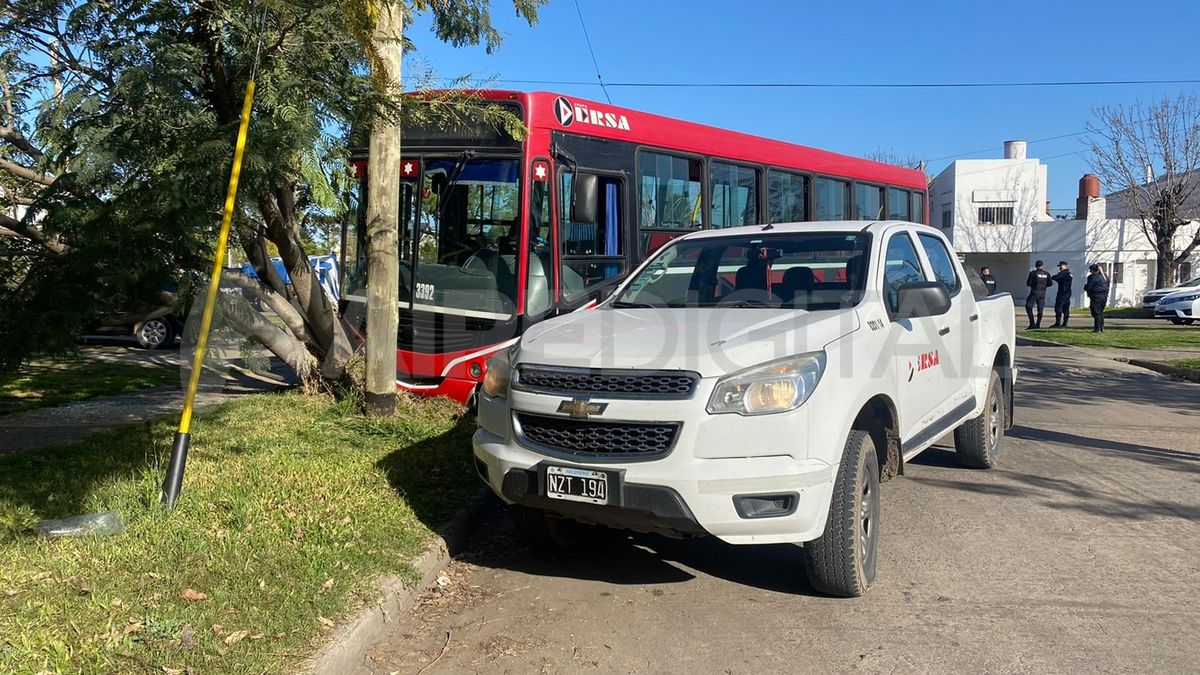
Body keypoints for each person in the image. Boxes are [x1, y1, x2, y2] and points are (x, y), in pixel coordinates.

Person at [1025, 260, 1053, 329]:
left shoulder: (1033, 273)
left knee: (1028, 307)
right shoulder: (1047, 274)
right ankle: (1038, 324)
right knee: (1040, 309)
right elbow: (1050, 283)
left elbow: (1028, 283)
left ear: (1036, 266)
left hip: (1034, 292)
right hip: (1043, 293)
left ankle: (1032, 324)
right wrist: (1044, 286)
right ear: (1042, 265)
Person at [1084, 264, 1110, 333]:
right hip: (1104, 296)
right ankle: (1101, 327)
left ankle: (1097, 328)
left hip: (1096, 296)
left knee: (1096, 312)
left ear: (1092, 270)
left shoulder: (1093, 277)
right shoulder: (1105, 276)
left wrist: (1085, 287)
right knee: (1100, 312)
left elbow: (1089, 286)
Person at [1050, 261, 1073, 327]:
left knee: (1058, 308)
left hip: (1062, 293)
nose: (1060, 267)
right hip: (1067, 293)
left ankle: (1058, 322)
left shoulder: (1064, 273)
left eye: (1061, 266)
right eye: (1059, 266)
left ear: (1066, 266)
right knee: (1066, 308)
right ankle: (1065, 323)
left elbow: (1055, 277)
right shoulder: (1069, 274)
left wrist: (1058, 278)